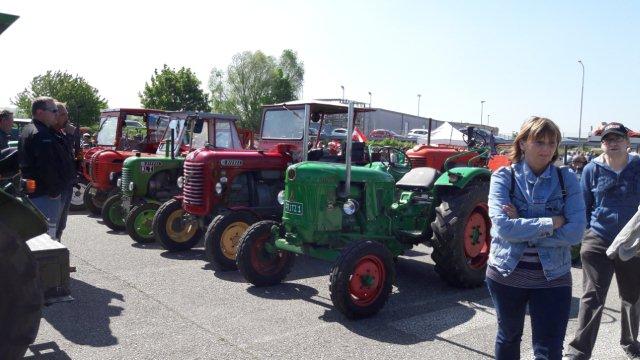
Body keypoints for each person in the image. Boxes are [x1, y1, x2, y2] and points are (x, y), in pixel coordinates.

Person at [487, 116, 586, 360]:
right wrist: (552, 222)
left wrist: (522, 227)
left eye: (552, 143)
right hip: (507, 273)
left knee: (549, 347)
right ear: (522, 144)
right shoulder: (503, 177)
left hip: (553, 276)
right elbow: (503, 229)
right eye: (539, 142)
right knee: (508, 337)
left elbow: (576, 232)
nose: (547, 149)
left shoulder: (567, 178)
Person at [564, 122, 640, 360]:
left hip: (631, 242)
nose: (613, 143)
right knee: (592, 296)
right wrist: (589, 234)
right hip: (599, 239)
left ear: (628, 143)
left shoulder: (639, 166)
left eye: (618, 139)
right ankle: (579, 350)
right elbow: (584, 206)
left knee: (632, 296)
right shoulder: (591, 169)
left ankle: (630, 343)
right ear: (602, 144)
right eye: (608, 140)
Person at [18, 97, 71, 239]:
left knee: (38, 234)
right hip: (45, 194)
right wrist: (54, 191)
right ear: (40, 112)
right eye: (53, 111)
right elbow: (47, 166)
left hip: (37, 191)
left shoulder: (28, 129)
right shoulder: (41, 134)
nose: (56, 114)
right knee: (47, 236)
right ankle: (48, 261)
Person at [53, 102, 77, 241]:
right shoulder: (52, 134)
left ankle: (58, 256)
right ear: (54, 116)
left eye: (67, 115)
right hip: (58, 186)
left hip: (67, 184)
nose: (66, 118)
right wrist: (69, 135)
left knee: (61, 225)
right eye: (63, 115)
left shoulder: (61, 133)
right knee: (53, 225)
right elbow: (61, 155)